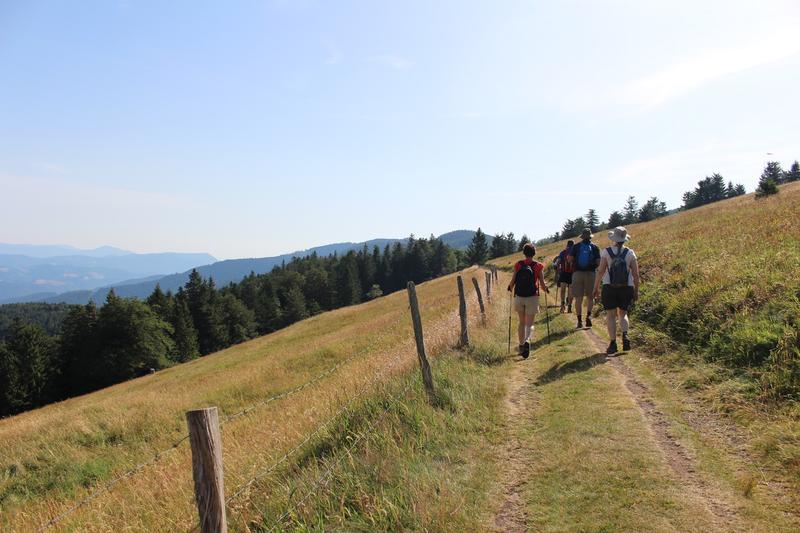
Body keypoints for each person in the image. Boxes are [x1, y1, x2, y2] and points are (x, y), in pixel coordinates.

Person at [593, 226, 640, 355]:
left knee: (611, 315)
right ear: (625, 239)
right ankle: (625, 336)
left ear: (614, 238)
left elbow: (601, 271)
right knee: (623, 314)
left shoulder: (606, 252)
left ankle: (613, 344)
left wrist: (596, 288)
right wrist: (636, 291)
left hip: (609, 287)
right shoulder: (630, 253)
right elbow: (636, 275)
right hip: (627, 287)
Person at [507, 243, 549, 358]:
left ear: (524, 253)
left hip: (519, 297)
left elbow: (513, 281)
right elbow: (542, 284)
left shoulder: (518, 265)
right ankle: (527, 341)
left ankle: (521, 346)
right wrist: (546, 289)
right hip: (532, 297)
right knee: (529, 324)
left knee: (521, 322)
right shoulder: (538, 266)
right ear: (534, 253)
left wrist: (510, 287)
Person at [568, 228, 600, 329]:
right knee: (590, 297)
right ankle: (588, 316)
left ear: (582, 236)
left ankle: (579, 321)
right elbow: (599, 262)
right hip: (590, 274)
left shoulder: (576, 246)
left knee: (578, 298)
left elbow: (570, 260)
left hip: (577, 274)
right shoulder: (595, 247)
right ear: (590, 236)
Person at [553, 240, 574, 314]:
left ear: (567, 245)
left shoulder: (563, 252)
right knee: (571, 291)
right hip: (573, 274)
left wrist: (558, 273)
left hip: (563, 273)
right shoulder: (575, 252)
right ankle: (570, 307)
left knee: (563, 290)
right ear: (573, 245)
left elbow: (557, 263)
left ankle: (562, 305)